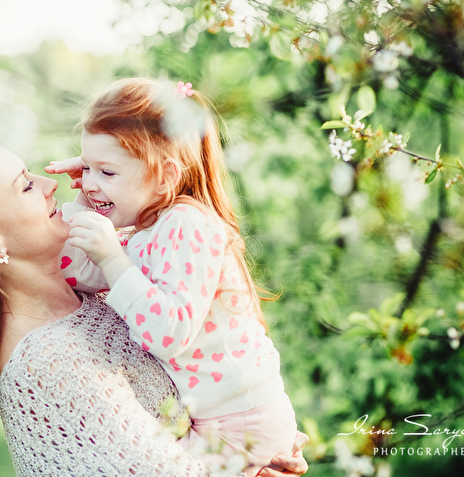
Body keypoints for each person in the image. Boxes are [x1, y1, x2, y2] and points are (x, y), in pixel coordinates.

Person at [0, 135, 308, 475]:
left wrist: (261, 434)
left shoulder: (89, 292)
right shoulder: (46, 364)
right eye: (26, 184)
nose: (50, 185)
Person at [47, 78, 297, 476]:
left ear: (164, 175)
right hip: (219, 418)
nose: (92, 181)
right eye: (87, 167)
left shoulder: (187, 226)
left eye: (107, 171)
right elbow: (74, 273)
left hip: (240, 420)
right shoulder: (145, 233)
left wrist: (112, 257)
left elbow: (168, 334)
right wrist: (84, 200)